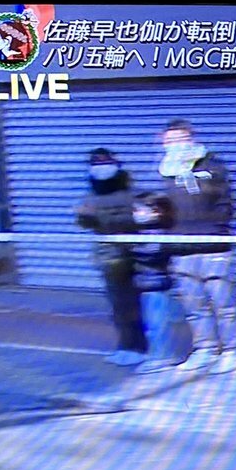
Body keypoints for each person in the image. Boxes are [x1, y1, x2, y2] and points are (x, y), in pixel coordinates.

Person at [141, 119, 236, 375]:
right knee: (194, 306)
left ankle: (233, 351)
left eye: (180, 139)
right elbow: (162, 209)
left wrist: (217, 231)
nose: (175, 145)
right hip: (181, 250)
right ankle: (204, 349)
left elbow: (226, 202)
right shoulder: (164, 171)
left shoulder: (213, 166)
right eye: (169, 141)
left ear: (191, 138)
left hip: (214, 248)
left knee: (224, 303)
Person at [75, 148, 146, 367]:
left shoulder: (131, 193)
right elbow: (85, 222)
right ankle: (125, 346)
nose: (101, 169)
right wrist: (85, 217)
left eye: (105, 163)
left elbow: (137, 219)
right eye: (96, 164)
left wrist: (102, 219)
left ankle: (139, 347)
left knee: (133, 304)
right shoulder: (92, 195)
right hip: (108, 257)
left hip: (133, 254)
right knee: (117, 305)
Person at [130, 191, 183, 375]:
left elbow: (151, 254)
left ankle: (162, 356)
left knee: (157, 325)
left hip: (156, 285)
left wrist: (131, 247)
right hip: (146, 284)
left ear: (155, 211)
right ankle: (159, 354)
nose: (135, 214)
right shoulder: (141, 232)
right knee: (153, 323)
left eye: (139, 210)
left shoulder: (158, 233)